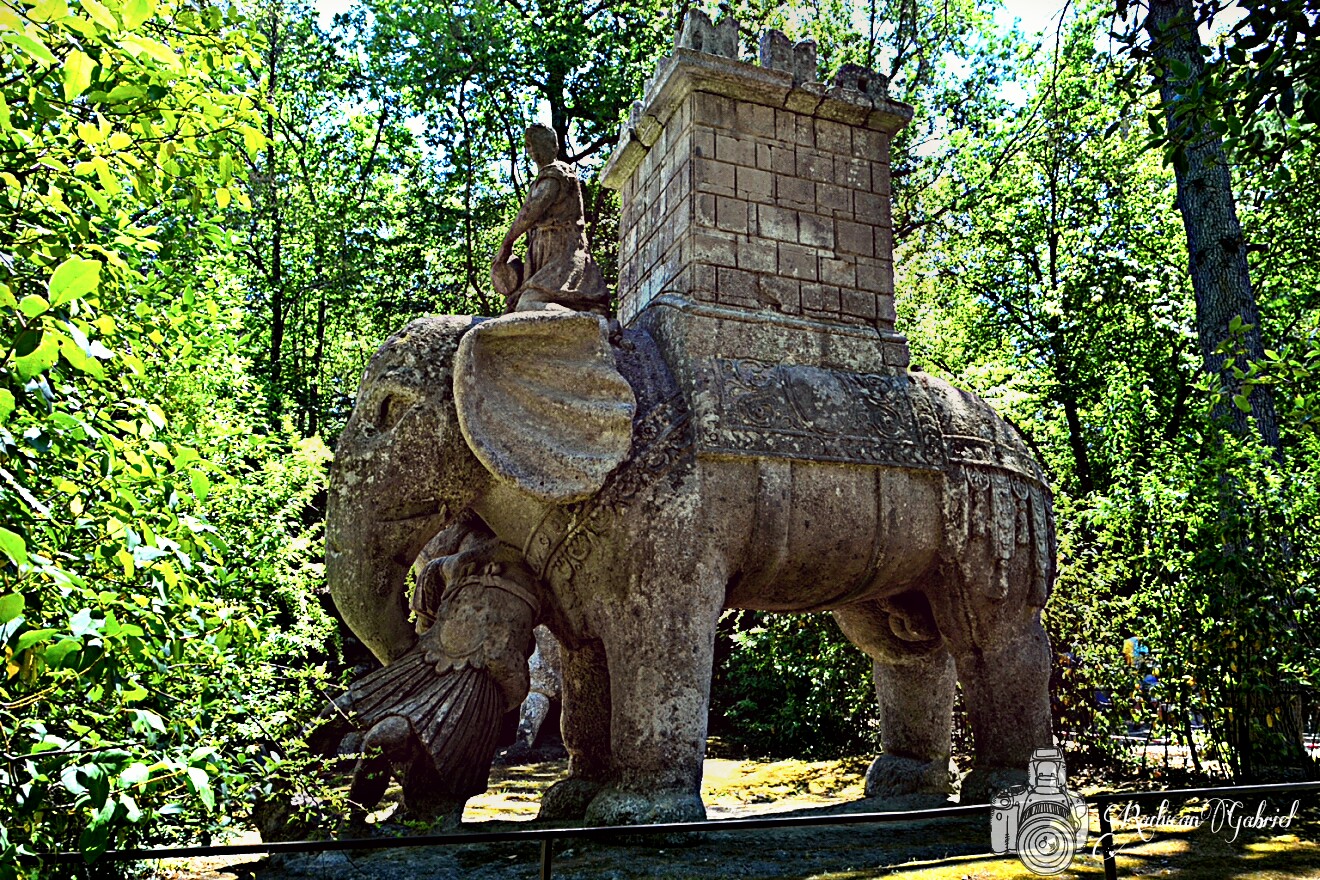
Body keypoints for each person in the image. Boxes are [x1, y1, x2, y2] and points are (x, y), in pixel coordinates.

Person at [491, 124, 611, 316]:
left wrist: (507, 243)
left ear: (554, 147)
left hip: (564, 254)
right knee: (521, 305)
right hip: (546, 254)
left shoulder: (558, 173)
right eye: (529, 145)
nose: (532, 150)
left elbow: (531, 210)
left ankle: (589, 321)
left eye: (538, 144)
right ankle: (586, 315)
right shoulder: (541, 179)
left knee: (527, 305)